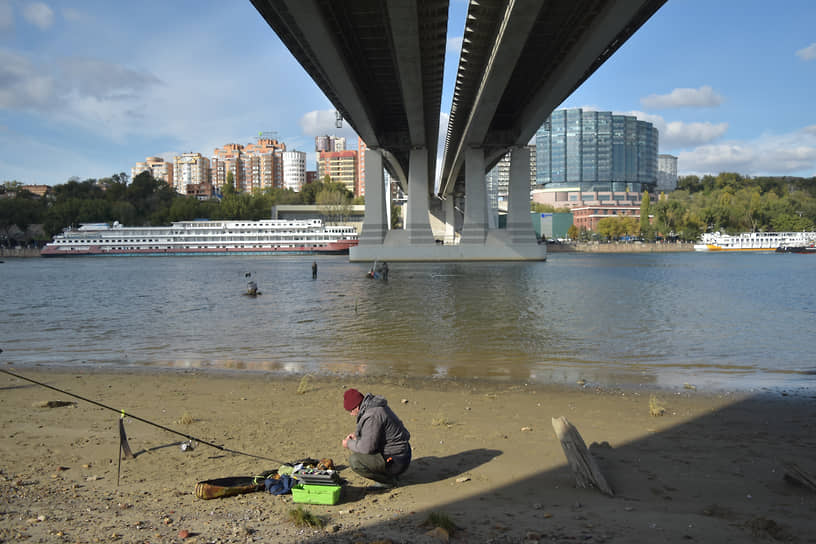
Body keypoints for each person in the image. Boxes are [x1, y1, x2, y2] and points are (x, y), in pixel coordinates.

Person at [341, 388, 411, 487]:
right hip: (402, 453)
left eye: (350, 410)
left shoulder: (372, 415)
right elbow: (376, 432)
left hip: (396, 460)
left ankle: (387, 482)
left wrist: (348, 443)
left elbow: (367, 448)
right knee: (358, 446)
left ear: (356, 407)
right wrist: (357, 436)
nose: (351, 414)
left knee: (355, 460)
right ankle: (391, 474)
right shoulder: (374, 406)